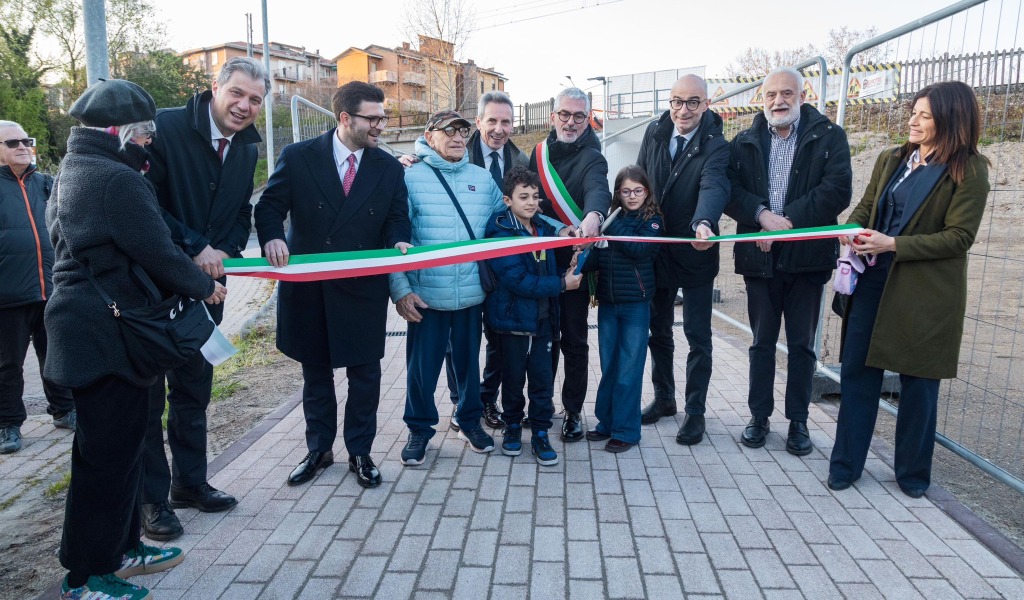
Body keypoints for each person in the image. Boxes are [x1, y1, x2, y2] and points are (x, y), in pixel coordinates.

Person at [45, 79, 225, 600]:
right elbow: (159, 252)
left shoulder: (75, 169)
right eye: (145, 136)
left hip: (101, 332)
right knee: (104, 462)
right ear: (120, 132)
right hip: (105, 337)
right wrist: (203, 285)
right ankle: (86, 575)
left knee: (120, 453)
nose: (149, 144)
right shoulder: (114, 180)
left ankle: (121, 550)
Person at [828, 81, 990, 498]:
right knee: (858, 374)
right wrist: (852, 229)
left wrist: (893, 243)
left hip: (925, 293)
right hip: (873, 282)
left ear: (950, 120)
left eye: (924, 115)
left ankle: (912, 476)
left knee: (918, 385)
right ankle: (845, 466)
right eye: (913, 112)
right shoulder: (892, 158)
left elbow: (958, 238)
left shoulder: (969, 168)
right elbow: (867, 207)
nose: (912, 121)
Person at [254, 81, 411, 488]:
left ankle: (360, 452)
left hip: (361, 288)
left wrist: (398, 240)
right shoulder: (299, 156)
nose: (380, 126)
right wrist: (272, 235)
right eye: (372, 119)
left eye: (382, 118)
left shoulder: (389, 167)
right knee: (316, 374)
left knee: (365, 376)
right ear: (345, 118)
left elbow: (397, 218)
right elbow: (269, 205)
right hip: (310, 289)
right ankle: (319, 450)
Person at [140, 56, 269, 541]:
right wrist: (195, 246)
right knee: (150, 399)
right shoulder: (166, 128)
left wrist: (228, 251)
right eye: (237, 93)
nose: (245, 105)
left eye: (255, 100)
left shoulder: (246, 148)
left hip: (208, 292)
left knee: (194, 390)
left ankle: (189, 484)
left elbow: (241, 210)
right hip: (151, 289)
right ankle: (152, 502)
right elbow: (142, 202)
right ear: (214, 87)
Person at [725, 66, 852, 456]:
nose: (778, 101)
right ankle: (758, 416)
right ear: (762, 99)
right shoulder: (744, 140)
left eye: (786, 94)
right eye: (770, 95)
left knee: (801, 345)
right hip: (758, 259)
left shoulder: (829, 137)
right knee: (762, 342)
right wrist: (762, 217)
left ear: (802, 95)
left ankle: (798, 421)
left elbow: (837, 191)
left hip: (807, 259)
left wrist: (788, 223)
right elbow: (730, 190)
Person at [391, 110, 506, 465]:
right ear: (429, 134)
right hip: (426, 295)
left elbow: (505, 222)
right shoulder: (409, 177)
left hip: (471, 293)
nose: (459, 138)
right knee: (421, 370)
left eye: (464, 132)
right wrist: (400, 290)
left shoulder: (482, 178)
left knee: (469, 365)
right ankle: (419, 430)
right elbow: (394, 237)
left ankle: (469, 421)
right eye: (450, 131)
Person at [635, 75, 731, 446]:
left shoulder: (716, 145)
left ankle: (695, 411)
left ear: (706, 105)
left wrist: (703, 222)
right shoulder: (655, 133)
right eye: (677, 101)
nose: (683, 110)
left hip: (696, 250)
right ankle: (664, 398)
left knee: (697, 336)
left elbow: (714, 185)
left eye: (693, 102)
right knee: (657, 331)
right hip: (657, 252)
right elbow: (641, 182)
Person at [484, 166, 582, 465]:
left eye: (535, 196)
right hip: (512, 323)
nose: (531, 202)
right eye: (523, 196)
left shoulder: (543, 226)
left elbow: (552, 258)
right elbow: (517, 280)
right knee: (513, 380)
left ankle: (540, 432)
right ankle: (513, 427)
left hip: (543, 320)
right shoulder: (499, 229)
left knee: (542, 381)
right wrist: (562, 284)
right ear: (507, 200)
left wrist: (574, 254)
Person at [529, 87, 611, 442]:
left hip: (576, 266)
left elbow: (598, 191)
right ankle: (542, 406)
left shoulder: (594, 156)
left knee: (574, 341)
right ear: (553, 116)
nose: (571, 122)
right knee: (544, 339)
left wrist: (594, 215)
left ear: (588, 118)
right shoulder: (535, 155)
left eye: (579, 116)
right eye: (565, 114)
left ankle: (574, 411)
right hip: (540, 265)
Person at [0, 120, 75, 454]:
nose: (22, 146)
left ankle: (64, 409)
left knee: (57, 355)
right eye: (12, 142)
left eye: (25, 140)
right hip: (7, 295)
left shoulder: (47, 184)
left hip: (52, 288)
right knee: (7, 365)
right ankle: (8, 425)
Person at [583, 166, 663, 453]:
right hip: (607, 304)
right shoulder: (611, 220)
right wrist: (583, 250)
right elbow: (598, 261)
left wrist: (606, 226)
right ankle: (606, 422)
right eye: (625, 191)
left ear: (646, 192)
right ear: (618, 192)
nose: (632, 196)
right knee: (609, 368)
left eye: (638, 191)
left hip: (635, 307)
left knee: (629, 369)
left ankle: (627, 431)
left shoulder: (652, 220)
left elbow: (637, 249)